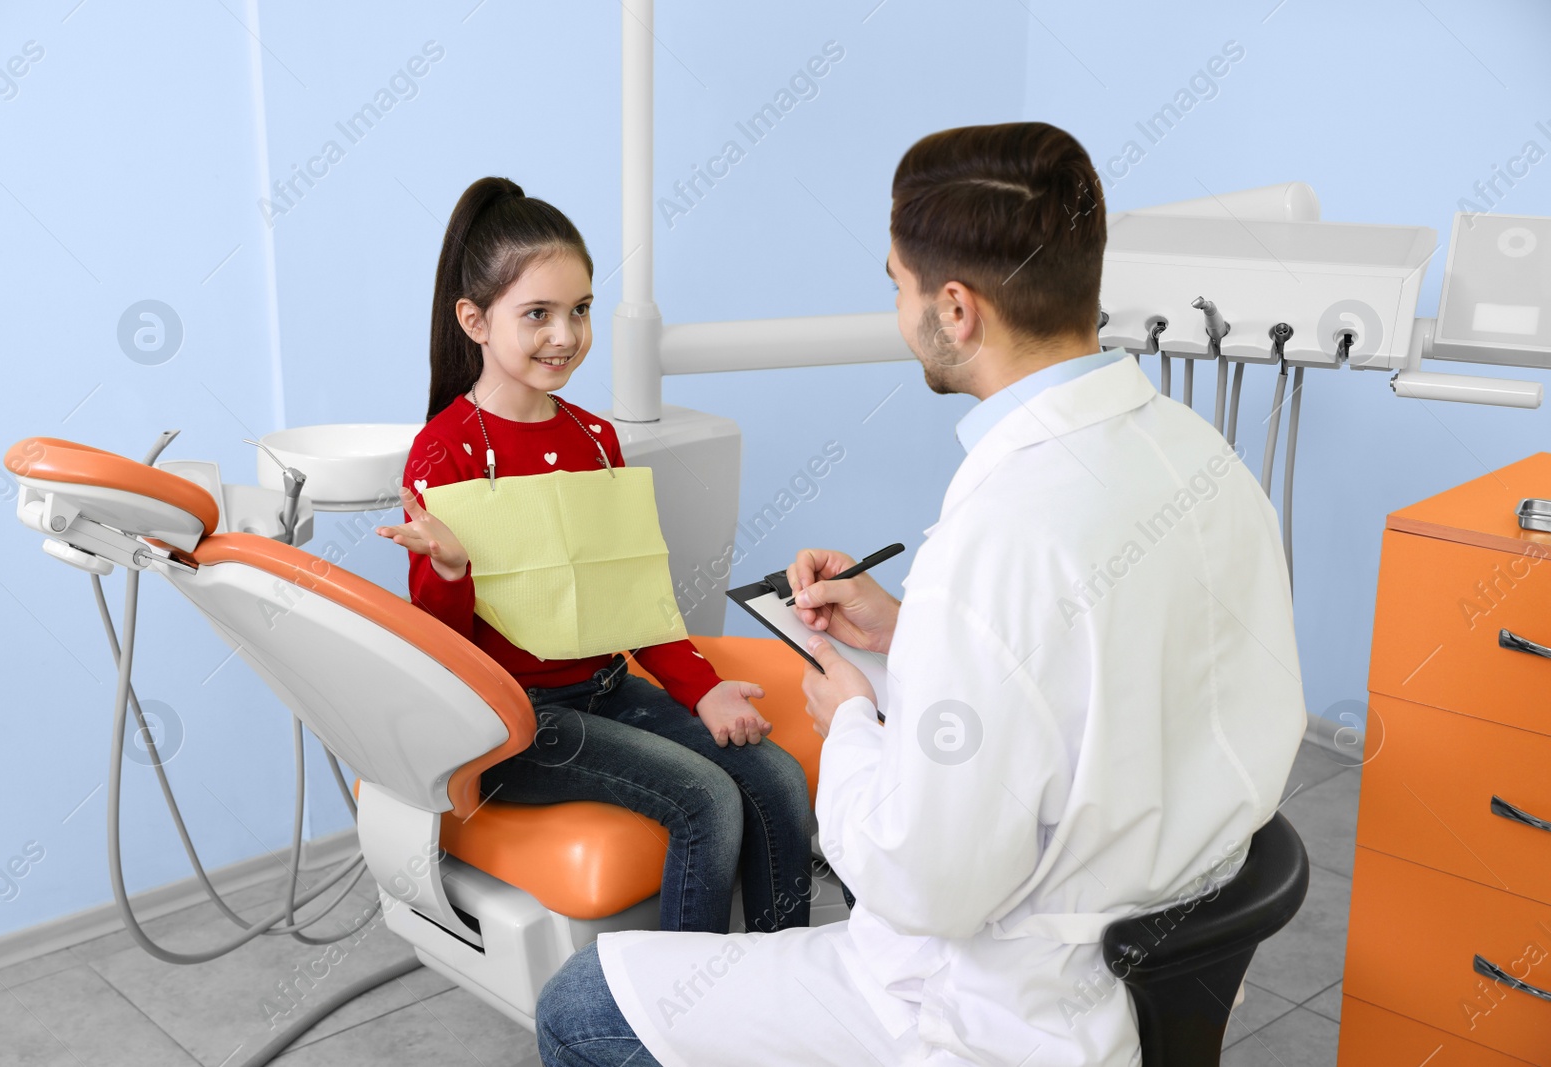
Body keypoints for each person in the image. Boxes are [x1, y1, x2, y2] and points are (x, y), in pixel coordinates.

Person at [534, 123, 1307, 1066]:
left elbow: (928, 881)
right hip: (1153, 935)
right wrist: (911, 634)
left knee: (580, 1005)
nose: (899, 312)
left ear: (955, 308)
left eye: (897, 287)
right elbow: (1106, 670)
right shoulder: (1201, 456)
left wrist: (853, 720)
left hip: (996, 1011)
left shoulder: (1003, 534)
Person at [376, 177, 814, 935]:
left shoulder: (592, 438)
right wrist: (450, 571)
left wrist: (701, 689)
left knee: (771, 775)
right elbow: (443, 654)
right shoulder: (442, 454)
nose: (565, 334)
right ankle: (683, 1024)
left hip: (608, 687)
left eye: (579, 310)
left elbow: (634, 596)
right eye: (537, 314)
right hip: (516, 720)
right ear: (475, 321)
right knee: (705, 797)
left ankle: (783, 980)